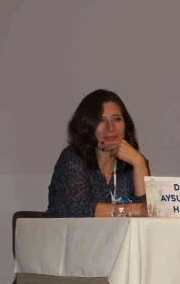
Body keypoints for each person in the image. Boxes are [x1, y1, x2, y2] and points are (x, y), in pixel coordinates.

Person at [47, 89, 149, 217]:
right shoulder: (73, 158)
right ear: (86, 126)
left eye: (117, 119)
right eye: (101, 120)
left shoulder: (133, 162)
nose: (110, 128)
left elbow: (147, 216)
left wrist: (139, 163)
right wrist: (135, 210)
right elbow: (80, 210)